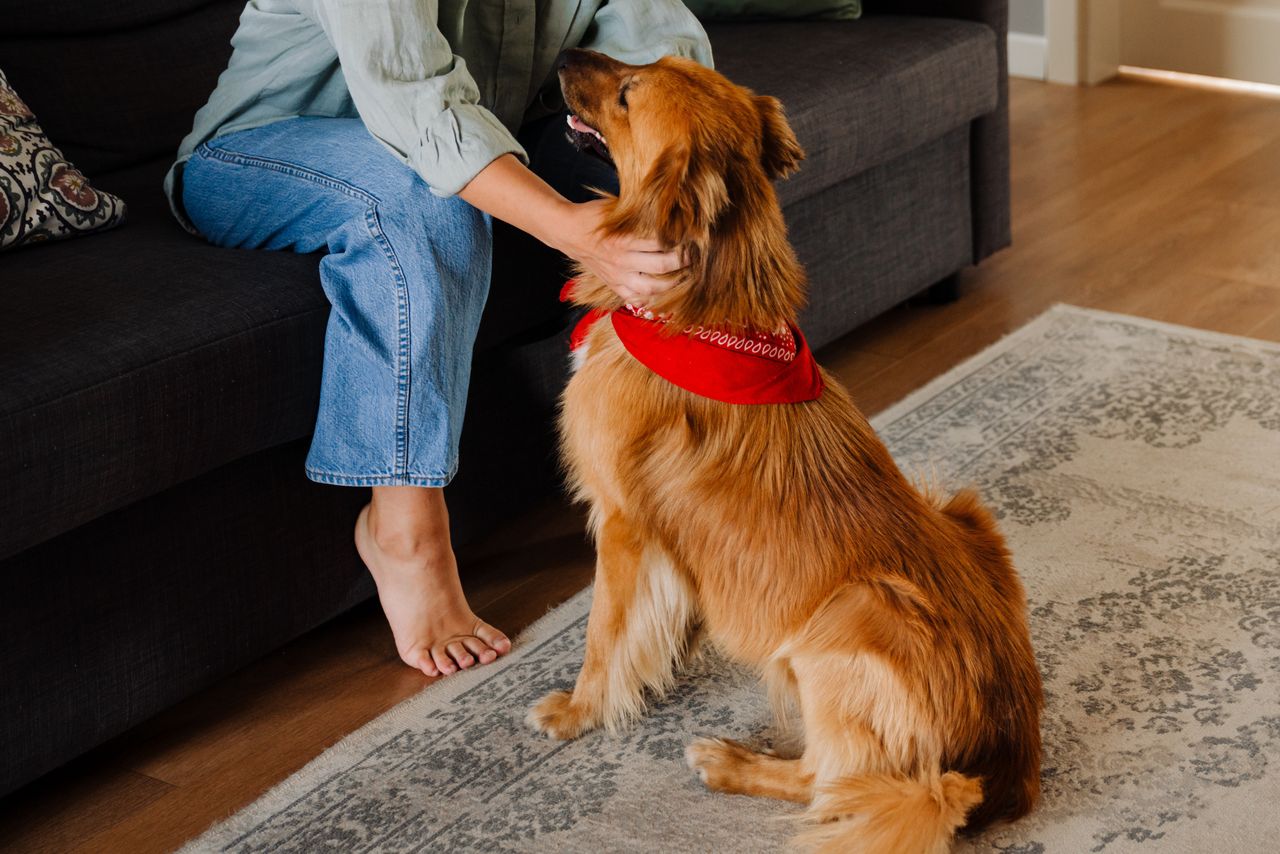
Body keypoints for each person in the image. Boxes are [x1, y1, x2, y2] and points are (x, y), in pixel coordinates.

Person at [166, 0, 713, 678]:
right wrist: (574, 230)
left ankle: (707, 483)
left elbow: (661, 59)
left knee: (683, 201)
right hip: (262, 151)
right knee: (426, 198)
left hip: (484, 129)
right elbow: (419, 113)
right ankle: (404, 535)